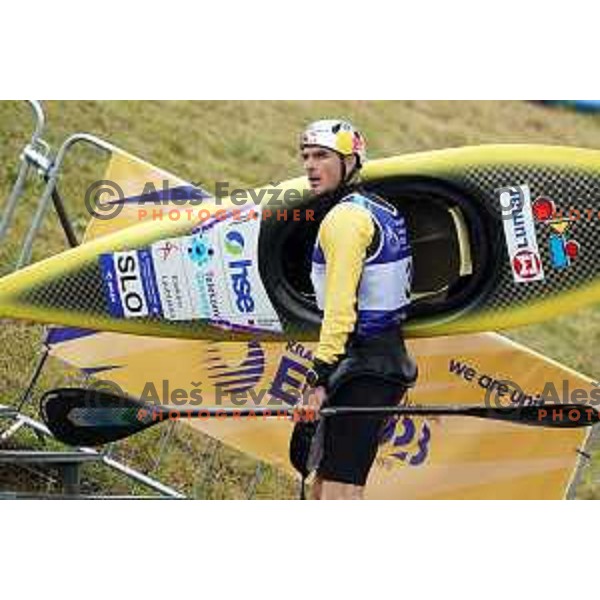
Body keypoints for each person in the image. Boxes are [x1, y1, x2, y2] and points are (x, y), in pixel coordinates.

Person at [289, 119, 418, 500]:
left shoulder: (345, 219)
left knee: (340, 495)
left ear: (350, 162)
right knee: (324, 490)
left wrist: (318, 378)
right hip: (375, 367)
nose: (311, 166)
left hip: (363, 372)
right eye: (306, 157)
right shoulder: (378, 208)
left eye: (323, 156)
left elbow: (341, 311)